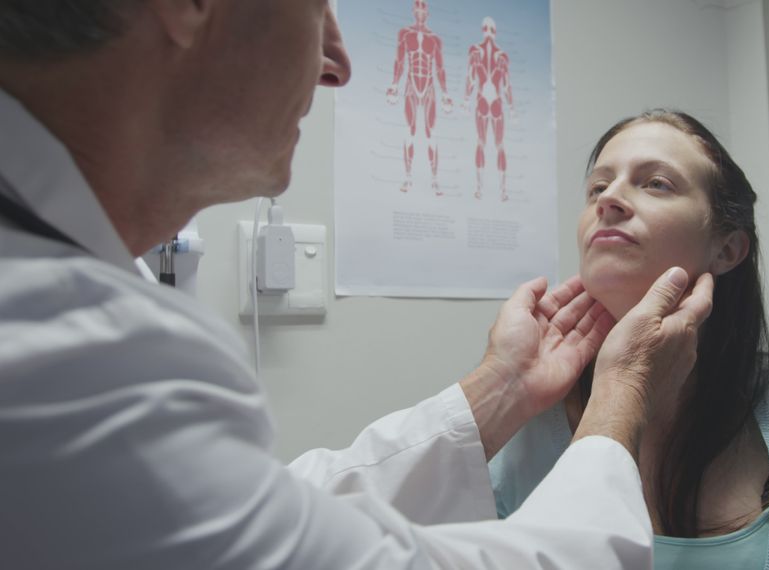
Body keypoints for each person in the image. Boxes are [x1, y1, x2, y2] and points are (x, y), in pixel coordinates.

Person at [0, 3, 715, 569]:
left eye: (656, 183)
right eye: (319, 7)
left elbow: (270, 514)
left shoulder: (57, 295)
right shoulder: (61, 349)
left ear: (730, 245)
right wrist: (623, 397)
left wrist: (499, 389)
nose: (338, 63)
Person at [490, 110, 769, 569]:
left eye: (655, 183)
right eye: (597, 187)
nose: (608, 199)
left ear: (727, 249)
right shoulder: (527, 413)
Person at [386, 0, 453, 196]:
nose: (421, 10)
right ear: (413, 10)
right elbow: (399, 60)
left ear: (428, 12)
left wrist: (446, 93)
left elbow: (440, 67)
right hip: (411, 86)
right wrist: (394, 85)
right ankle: (408, 178)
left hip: (429, 87)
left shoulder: (435, 39)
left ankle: (434, 180)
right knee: (410, 131)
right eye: (418, 5)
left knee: (432, 133)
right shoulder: (405, 34)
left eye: (424, 6)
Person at [464, 16, 514, 202]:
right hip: (486, 101)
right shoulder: (478, 52)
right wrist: (467, 100)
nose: (488, 33)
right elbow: (470, 78)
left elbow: (506, 84)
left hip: (493, 102)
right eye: (487, 28)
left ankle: (500, 190)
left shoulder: (499, 56)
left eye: (489, 29)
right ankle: (481, 188)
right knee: (482, 143)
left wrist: (512, 107)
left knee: (496, 145)